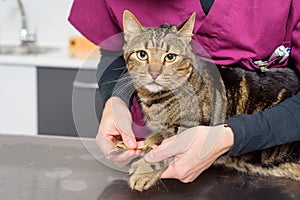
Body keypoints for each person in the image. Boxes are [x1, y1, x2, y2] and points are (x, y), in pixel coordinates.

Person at [68, 0, 300, 182]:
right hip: (153, 155)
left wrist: (233, 136)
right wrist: (114, 100)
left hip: (272, 151)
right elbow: (113, 51)